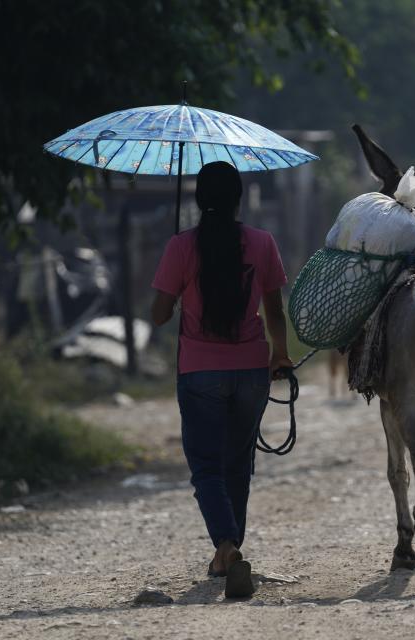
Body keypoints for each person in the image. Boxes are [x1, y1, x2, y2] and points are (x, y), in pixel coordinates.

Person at [150, 161, 291, 598]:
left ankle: (227, 546)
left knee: (207, 468)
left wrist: (172, 299)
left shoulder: (181, 247)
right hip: (251, 370)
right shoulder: (262, 243)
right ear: (239, 199)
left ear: (197, 199)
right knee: (237, 464)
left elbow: (156, 316)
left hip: (199, 372)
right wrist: (280, 355)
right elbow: (274, 309)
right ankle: (226, 553)